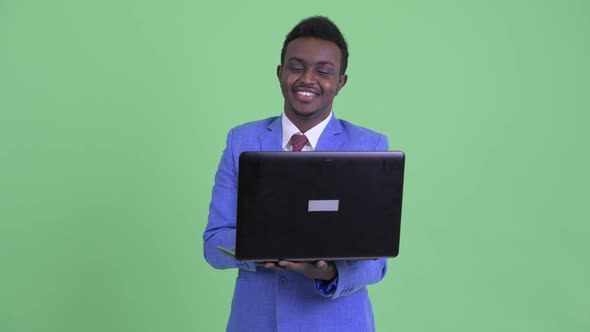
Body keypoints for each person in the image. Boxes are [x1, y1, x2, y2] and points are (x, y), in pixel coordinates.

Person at [203, 16, 390, 331]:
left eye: (323, 71)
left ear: (341, 81)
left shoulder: (369, 146)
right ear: (280, 73)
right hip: (257, 321)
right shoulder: (242, 141)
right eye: (296, 66)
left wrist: (329, 272)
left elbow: (377, 262)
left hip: (337, 323)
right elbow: (214, 243)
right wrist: (260, 249)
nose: (308, 78)